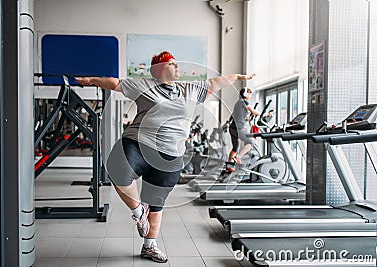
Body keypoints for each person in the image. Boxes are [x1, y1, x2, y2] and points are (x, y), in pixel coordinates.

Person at [76, 51, 255, 263]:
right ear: (159, 69)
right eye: (172, 63)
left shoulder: (190, 89)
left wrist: (238, 77)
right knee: (118, 169)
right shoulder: (143, 85)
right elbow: (114, 83)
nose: (177, 66)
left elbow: (216, 82)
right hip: (139, 143)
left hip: (171, 154)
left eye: (178, 63)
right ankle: (137, 211)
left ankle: (149, 247)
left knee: (156, 203)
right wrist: (89, 81)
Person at [227, 87, 264, 167]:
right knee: (252, 142)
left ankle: (229, 166)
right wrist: (264, 114)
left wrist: (249, 118)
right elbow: (253, 111)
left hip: (232, 128)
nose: (250, 96)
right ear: (245, 94)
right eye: (249, 94)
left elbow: (238, 116)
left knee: (235, 148)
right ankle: (238, 157)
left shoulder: (238, 103)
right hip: (238, 129)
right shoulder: (244, 102)